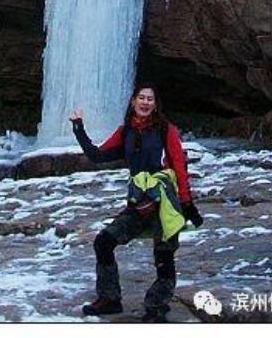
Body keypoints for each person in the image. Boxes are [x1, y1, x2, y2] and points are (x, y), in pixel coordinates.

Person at [70, 83, 203, 323]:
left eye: (150, 99)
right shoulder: (126, 132)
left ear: (155, 104)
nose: (145, 102)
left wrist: (187, 204)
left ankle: (157, 305)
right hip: (139, 203)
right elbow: (96, 155)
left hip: (165, 202)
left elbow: (179, 167)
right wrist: (78, 128)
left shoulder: (166, 130)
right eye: (141, 98)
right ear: (133, 102)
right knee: (104, 242)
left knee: (164, 257)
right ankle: (110, 299)